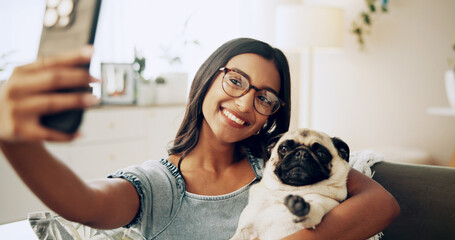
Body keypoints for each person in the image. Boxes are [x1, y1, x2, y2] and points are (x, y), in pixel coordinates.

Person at [0, 38, 399, 239]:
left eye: (264, 97)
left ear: (272, 114)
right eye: (236, 80)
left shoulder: (281, 163)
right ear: (208, 78)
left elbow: (381, 202)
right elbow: (83, 204)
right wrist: (16, 142)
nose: (245, 103)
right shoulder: (160, 187)